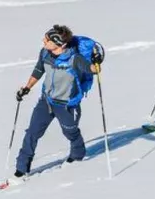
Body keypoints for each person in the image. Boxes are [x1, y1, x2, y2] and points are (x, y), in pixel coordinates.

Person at [13, 24, 103, 178]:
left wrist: (97, 61)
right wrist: (27, 87)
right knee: (32, 133)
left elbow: (93, 69)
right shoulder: (45, 54)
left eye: (47, 40)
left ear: (60, 44)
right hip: (46, 101)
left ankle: (77, 155)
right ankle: (21, 169)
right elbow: (38, 70)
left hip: (67, 105)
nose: (43, 41)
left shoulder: (75, 59)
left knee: (71, 132)